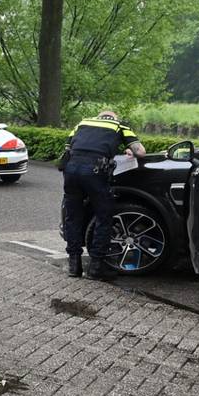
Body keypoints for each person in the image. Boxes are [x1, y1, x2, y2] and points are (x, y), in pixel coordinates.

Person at [61, 110, 145, 280]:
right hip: (95, 172)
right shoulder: (119, 126)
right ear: (114, 118)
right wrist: (130, 149)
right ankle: (96, 267)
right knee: (103, 216)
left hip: (71, 172)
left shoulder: (82, 123)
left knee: (73, 217)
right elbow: (141, 151)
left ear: (98, 118)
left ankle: (74, 265)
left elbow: (68, 147)